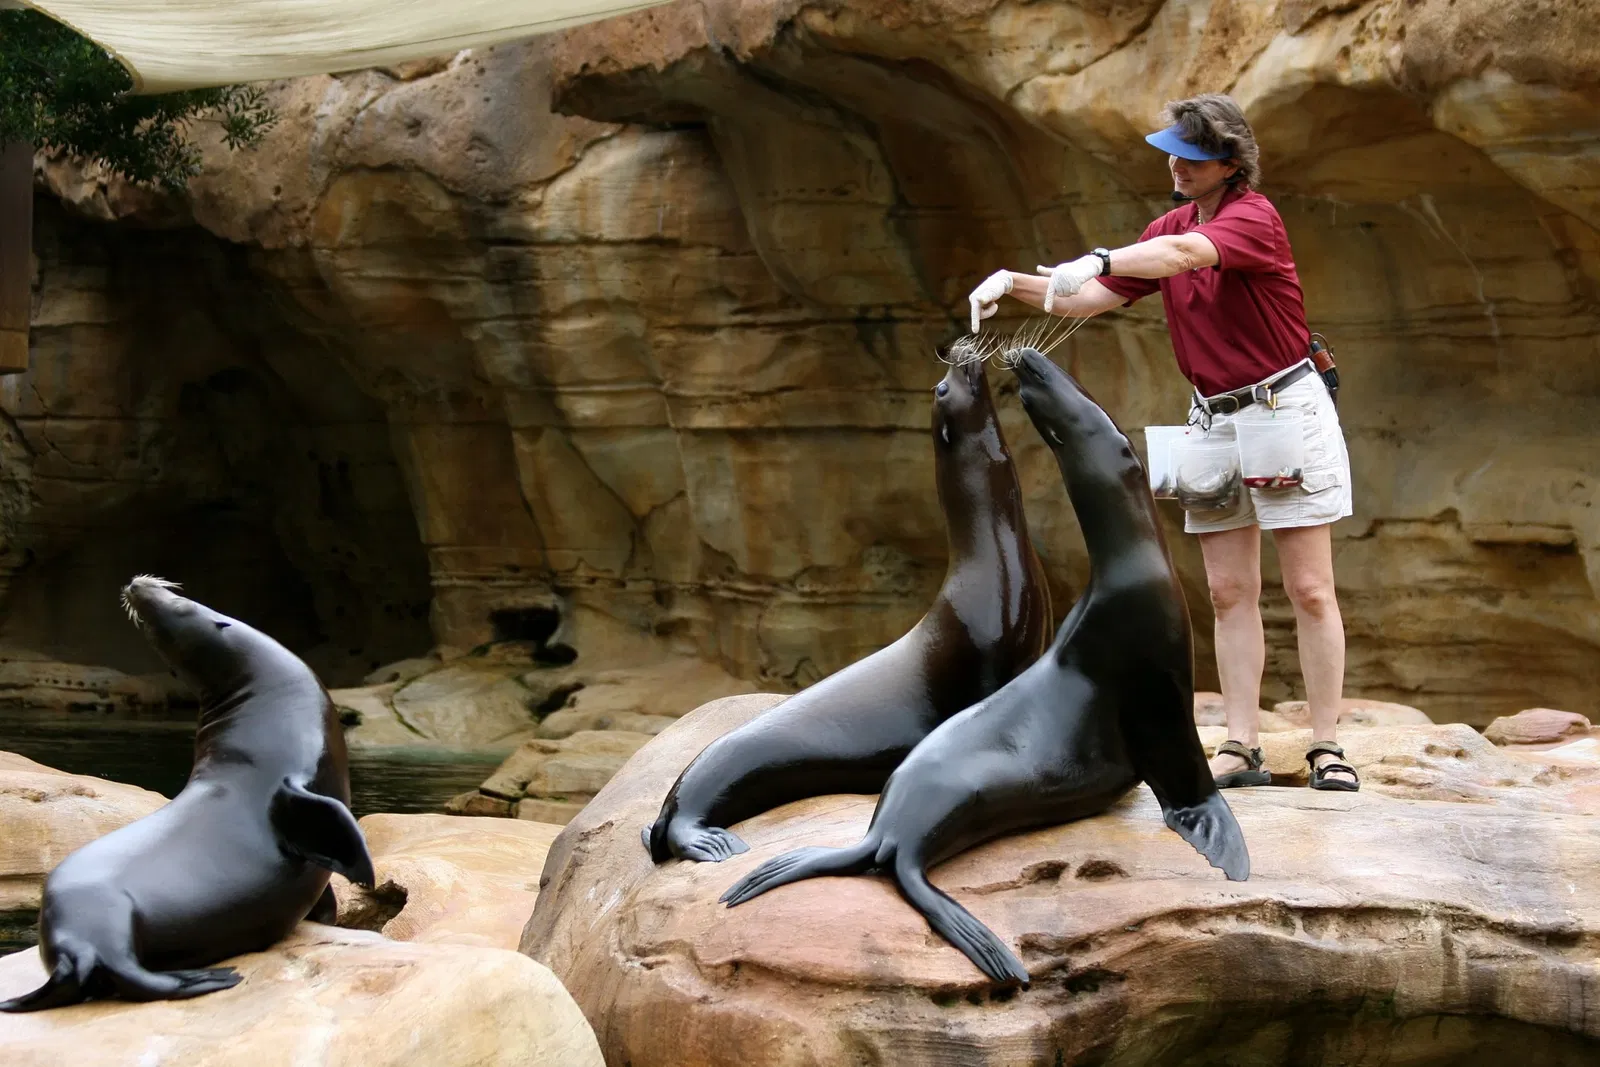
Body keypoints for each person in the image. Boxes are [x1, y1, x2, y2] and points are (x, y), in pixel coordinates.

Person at [966, 93, 1358, 792]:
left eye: (1193, 157)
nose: (1176, 166)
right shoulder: (1167, 224)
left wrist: (1098, 257)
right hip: (1212, 418)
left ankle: (1327, 744)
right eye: (1172, 153)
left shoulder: (1252, 218)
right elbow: (1087, 298)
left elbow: (1180, 257)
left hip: (1283, 407)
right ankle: (1241, 744)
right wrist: (1012, 283)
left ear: (1230, 164)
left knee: (1309, 587)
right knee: (1227, 590)